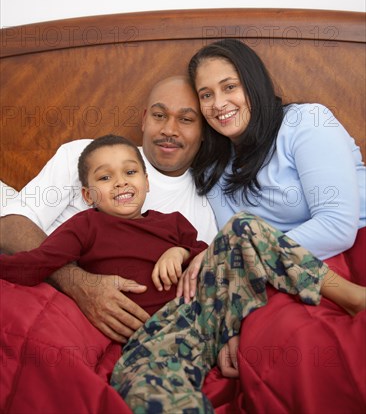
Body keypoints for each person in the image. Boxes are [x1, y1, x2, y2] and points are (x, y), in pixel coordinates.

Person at [1, 134, 364, 413]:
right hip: (158, 334)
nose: (122, 183)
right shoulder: (85, 227)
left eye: (130, 172)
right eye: (106, 177)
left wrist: (182, 252)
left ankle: (351, 295)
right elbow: (38, 261)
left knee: (240, 227)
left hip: (203, 307)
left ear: (145, 180)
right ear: (88, 194)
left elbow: (208, 257)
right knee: (145, 390)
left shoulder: (173, 223)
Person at [184, 37, 366, 375]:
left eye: (230, 87)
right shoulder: (213, 171)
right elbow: (235, 243)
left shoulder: (306, 122)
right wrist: (231, 327)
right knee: (276, 348)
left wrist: (241, 256)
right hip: (279, 273)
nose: (219, 103)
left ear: (253, 83)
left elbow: (338, 227)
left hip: (356, 246)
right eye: (206, 94)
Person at [0, 76, 218, 343]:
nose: (169, 129)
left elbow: (206, 282)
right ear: (143, 119)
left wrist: (180, 251)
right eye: (159, 115)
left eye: (186, 119)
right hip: (55, 312)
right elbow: (10, 224)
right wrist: (78, 283)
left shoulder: (200, 209)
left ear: (204, 131)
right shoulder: (86, 157)